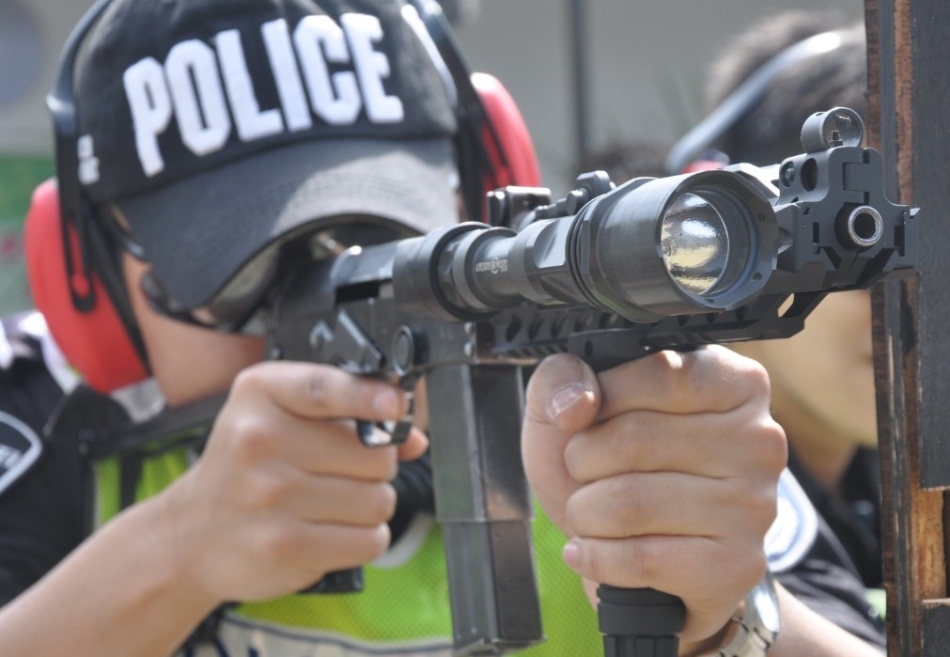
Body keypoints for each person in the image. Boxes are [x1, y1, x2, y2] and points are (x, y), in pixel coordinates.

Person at [0, 1, 885, 656]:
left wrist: (726, 616)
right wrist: (174, 549)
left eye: (377, 233)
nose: (311, 294)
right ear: (90, 283)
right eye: (229, 276)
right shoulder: (49, 417)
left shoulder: (610, 393)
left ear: (481, 185)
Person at [667, 7, 887, 645]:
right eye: (859, 237)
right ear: (735, 235)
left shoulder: (877, 478)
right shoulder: (680, 459)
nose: (909, 292)